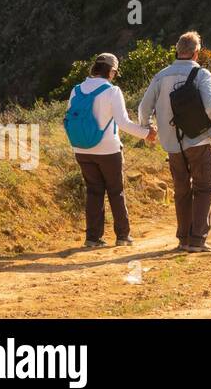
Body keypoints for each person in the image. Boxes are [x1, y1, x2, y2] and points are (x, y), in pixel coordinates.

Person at [138, 31, 211, 253]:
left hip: (171, 144)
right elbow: (210, 105)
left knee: (182, 189)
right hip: (198, 140)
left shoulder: (161, 76)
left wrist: (147, 127)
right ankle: (197, 240)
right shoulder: (202, 74)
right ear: (197, 53)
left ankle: (183, 239)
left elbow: (143, 108)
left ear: (177, 51)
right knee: (204, 187)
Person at [64, 52, 156, 248]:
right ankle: (122, 236)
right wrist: (145, 134)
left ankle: (92, 238)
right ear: (111, 71)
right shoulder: (112, 91)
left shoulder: (76, 90)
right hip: (107, 150)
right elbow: (123, 123)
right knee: (116, 191)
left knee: (93, 192)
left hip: (81, 149)